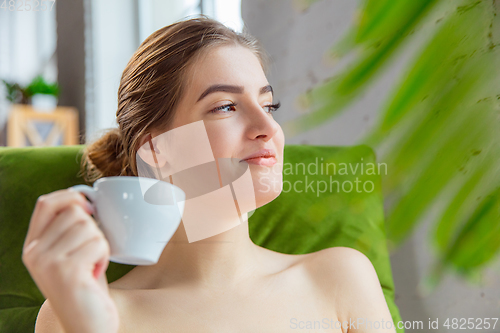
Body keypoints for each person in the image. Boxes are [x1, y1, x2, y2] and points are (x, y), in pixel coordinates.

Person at [22, 15, 396, 333]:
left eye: (269, 104)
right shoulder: (78, 312)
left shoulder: (340, 277)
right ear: (156, 149)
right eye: (226, 106)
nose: (267, 126)